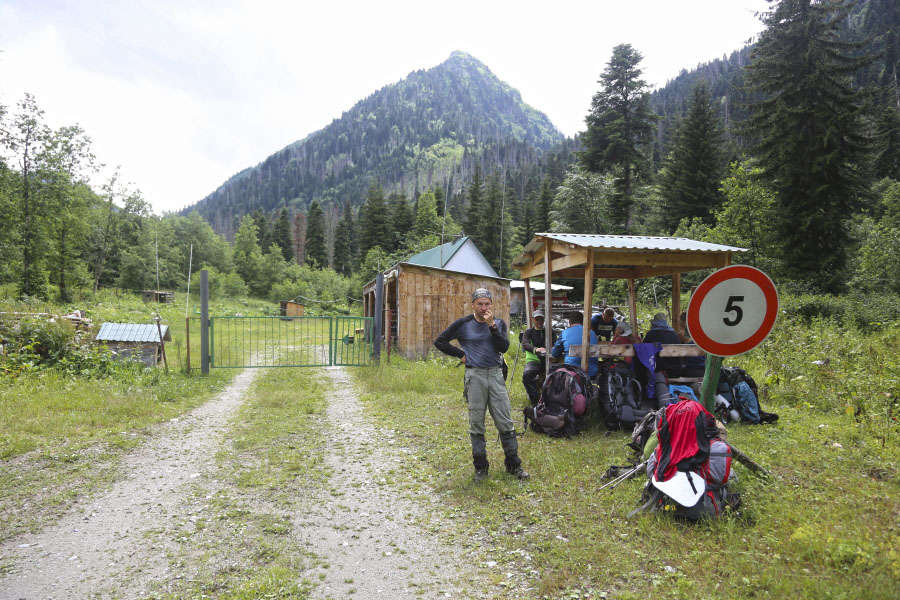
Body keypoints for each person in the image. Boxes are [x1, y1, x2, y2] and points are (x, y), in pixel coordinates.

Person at [434, 288, 529, 481]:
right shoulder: (463, 323)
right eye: (480, 304)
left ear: (491, 305)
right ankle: (481, 468)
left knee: (505, 421)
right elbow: (440, 341)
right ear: (473, 305)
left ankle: (513, 465)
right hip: (474, 375)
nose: (484, 307)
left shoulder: (499, 323)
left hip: (495, 374)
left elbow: (503, 347)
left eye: (487, 304)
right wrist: (460, 354)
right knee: (477, 423)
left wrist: (491, 325)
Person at [521, 309, 557, 406]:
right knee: (526, 376)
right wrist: (536, 349)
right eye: (537, 319)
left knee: (558, 376)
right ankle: (536, 402)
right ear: (533, 320)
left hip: (549, 360)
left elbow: (556, 343)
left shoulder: (549, 332)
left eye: (541, 319)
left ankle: (553, 401)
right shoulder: (528, 332)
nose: (540, 321)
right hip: (534, 361)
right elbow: (525, 344)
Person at [551, 311, 599, 378]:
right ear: (583, 322)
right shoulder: (592, 333)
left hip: (573, 373)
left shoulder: (565, 333)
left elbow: (555, 353)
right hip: (591, 373)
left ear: (569, 322)